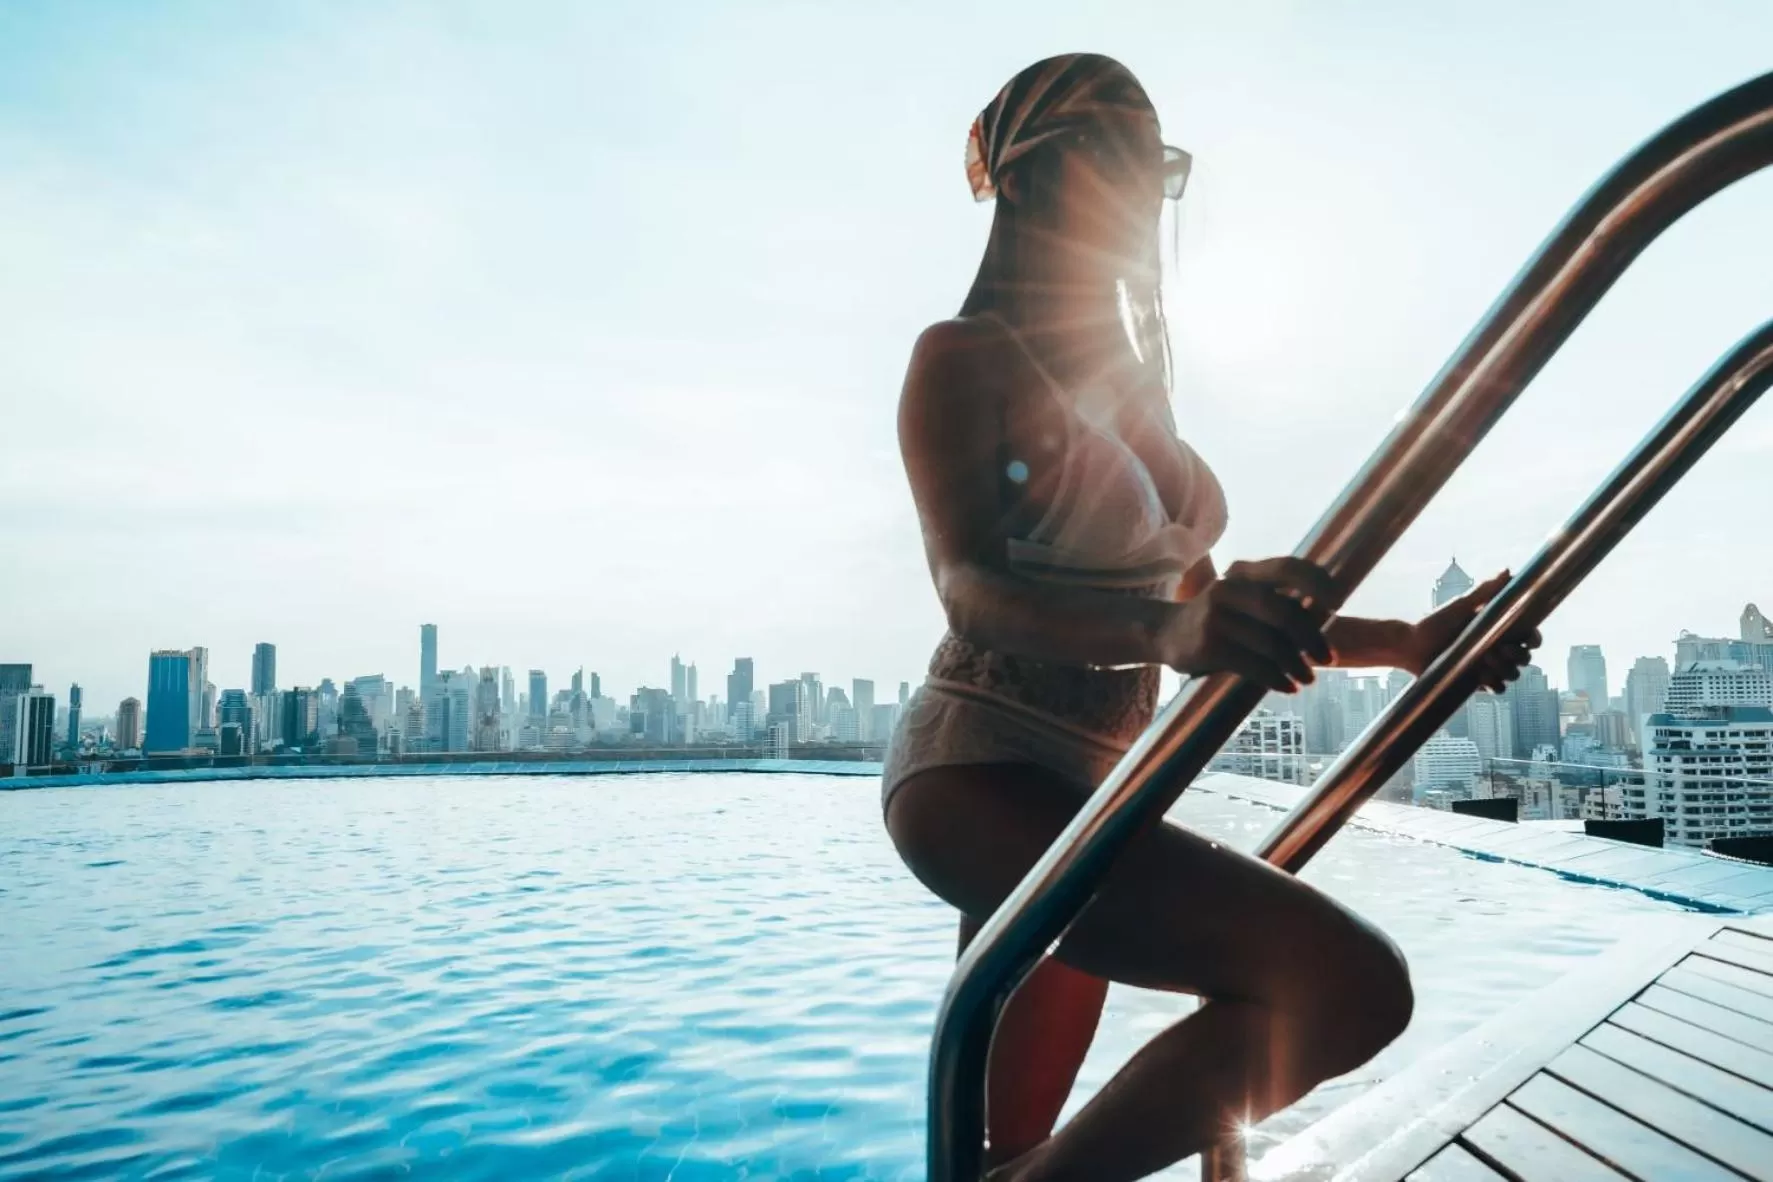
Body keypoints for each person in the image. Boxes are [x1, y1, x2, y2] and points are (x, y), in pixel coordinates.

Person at [881, 53, 1539, 1182]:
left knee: (1013, 1156)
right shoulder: (962, 357)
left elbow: (1204, 606)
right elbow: (971, 589)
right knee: (1348, 986)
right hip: (980, 771)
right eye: (1120, 152)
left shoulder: (1136, 391)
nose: (1146, 184)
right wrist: (1171, 634)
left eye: (1160, 161)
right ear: (1035, 174)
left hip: (1091, 790)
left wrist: (1416, 651)